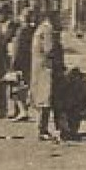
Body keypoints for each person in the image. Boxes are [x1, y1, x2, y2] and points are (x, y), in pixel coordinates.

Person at [31, 10, 60, 142]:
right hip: (46, 68)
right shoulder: (48, 30)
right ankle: (42, 130)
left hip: (38, 67)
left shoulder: (40, 29)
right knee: (46, 98)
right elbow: (49, 49)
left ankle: (42, 129)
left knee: (41, 97)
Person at [9, 8, 35, 123]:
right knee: (25, 86)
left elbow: (18, 48)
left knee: (18, 87)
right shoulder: (32, 29)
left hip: (21, 62)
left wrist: (14, 64)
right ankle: (21, 110)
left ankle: (23, 111)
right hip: (29, 61)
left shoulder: (22, 30)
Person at [0, 11, 16, 120]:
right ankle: (2, 110)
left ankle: (17, 111)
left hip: (11, 60)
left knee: (14, 86)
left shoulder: (14, 26)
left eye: (1, 14)